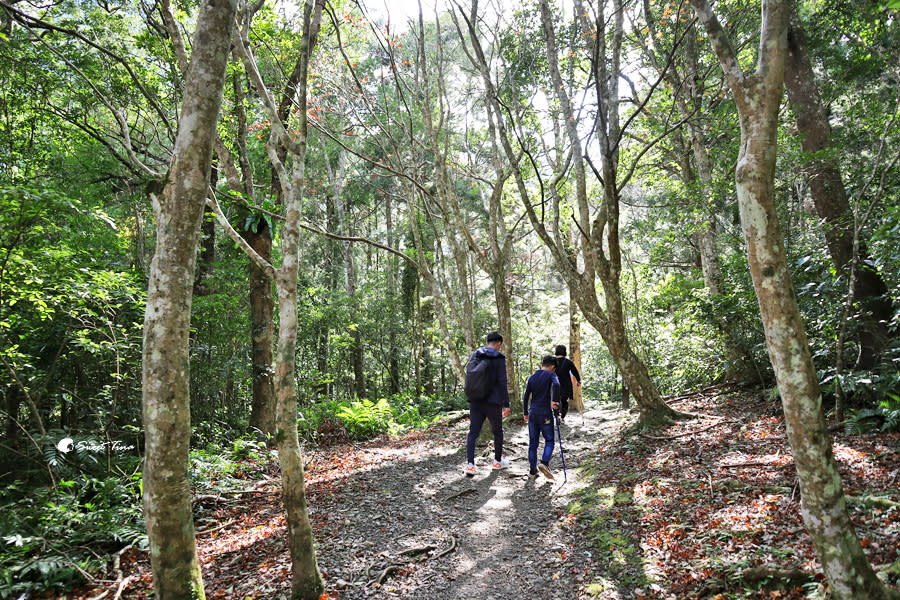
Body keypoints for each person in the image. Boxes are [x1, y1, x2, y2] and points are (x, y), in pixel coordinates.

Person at [464, 331, 511, 475]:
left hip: (476, 400)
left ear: (486, 343)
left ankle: (470, 465)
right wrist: (506, 403)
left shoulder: (476, 355)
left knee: (473, 433)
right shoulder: (499, 358)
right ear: (499, 344)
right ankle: (497, 462)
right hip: (493, 401)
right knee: (497, 431)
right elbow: (502, 381)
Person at [523, 355, 560, 480]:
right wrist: (555, 401)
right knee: (549, 440)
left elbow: (526, 396)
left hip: (532, 412)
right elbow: (557, 385)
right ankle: (544, 463)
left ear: (542, 364)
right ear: (553, 366)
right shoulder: (551, 375)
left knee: (533, 443)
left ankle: (533, 471)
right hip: (545, 412)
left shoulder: (532, 377)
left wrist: (525, 412)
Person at [554, 344, 582, 421]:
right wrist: (578, 381)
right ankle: (562, 416)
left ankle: (557, 415)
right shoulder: (568, 362)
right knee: (564, 400)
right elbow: (575, 371)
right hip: (566, 384)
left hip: (554, 384)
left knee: (555, 400)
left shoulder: (552, 361)